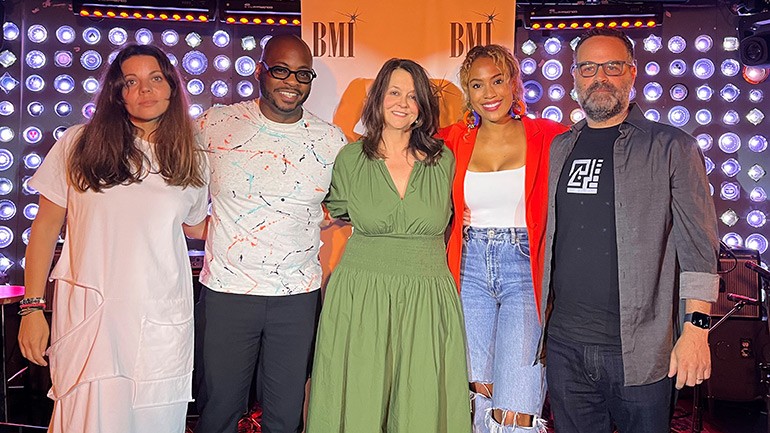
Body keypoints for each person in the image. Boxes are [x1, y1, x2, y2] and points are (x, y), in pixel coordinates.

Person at [17, 43, 208, 433]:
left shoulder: (192, 155)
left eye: (155, 79)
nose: (145, 90)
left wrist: (295, 217)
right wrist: (32, 308)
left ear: (172, 86)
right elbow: (44, 230)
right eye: (131, 82)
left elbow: (197, 227)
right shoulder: (79, 143)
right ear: (117, 94)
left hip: (161, 319)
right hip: (92, 319)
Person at [539, 28, 719, 433]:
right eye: (588, 67)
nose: (600, 76)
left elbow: (699, 250)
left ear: (632, 73)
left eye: (612, 66)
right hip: (565, 347)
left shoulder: (674, 147)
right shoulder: (557, 149)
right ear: (574, 77)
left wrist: (697, 330)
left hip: (642, 350)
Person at [305, 58, 471, 433]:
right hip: (361, 293)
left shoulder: (445, 159)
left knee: (422, 401)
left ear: (423, 107)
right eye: (394, 92)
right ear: (378, 98)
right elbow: (329, 212)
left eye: (413, 96)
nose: (403, 103)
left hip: (427, 293)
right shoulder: (348, 159)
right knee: (359, 399)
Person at [193, 34, 346, 433]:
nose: (291, 82)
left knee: (285, 415)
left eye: (302, 74)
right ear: (260, 71)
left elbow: (345, 205)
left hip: (297, 297)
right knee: (219, 411)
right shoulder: (215, 125)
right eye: (280, 70)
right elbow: (180, 193)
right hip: (228, 293)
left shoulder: (330, 141)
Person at [439, 45, 567, 433]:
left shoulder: (550, 134)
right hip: (468, 268)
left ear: (514, 82)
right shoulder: (448, 140)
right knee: (477, 389)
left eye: (498, 80)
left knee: (517, 405)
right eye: (477, 85)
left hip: (524, 269)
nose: (489, 93)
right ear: (468, 91)